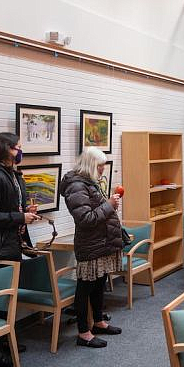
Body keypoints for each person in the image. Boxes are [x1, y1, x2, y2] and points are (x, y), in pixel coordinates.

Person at [0, 132, 39, 366]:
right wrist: (19, 216)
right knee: (0, 301)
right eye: (17, 148)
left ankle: (5, 341)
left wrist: (25, 210)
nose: (20, 152)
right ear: (6, 150)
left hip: (10, 245)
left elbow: (12, 205)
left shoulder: (13, 175)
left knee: (8, 300)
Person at [60, 147, 123, 348]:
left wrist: (109, 204)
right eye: (100, 167)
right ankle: (83, 332)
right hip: (90, 243)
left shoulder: (89, 182)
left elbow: (97, 210)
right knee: (85, 287)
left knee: (99, 283)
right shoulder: (76, 186)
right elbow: (86, 219)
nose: (103, 170)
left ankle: (98, 322)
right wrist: (109, 205)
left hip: (101, 242)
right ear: (90, 165)